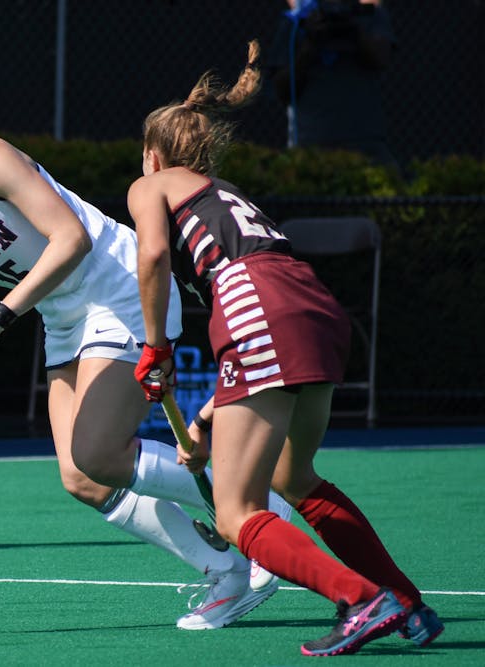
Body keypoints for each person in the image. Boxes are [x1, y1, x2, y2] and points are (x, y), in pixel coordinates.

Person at [0, 66, 295, 630]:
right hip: (63, 316)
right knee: (83, 477)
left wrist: (3, 312)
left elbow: (71, 238)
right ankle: (224, 571)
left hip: (118, 287)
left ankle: (256, 499)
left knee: (95, 450)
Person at [127, 40, 443, 655]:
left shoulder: (153, 185)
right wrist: (206, 418)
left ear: (153, 153)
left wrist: (156, 347)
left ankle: (361, 599)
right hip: (311, 305)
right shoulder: (223, 193)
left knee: (234, 512)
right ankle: (406, 602)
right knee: (292, 475)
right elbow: (270, 327)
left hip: (256, 306)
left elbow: (154, 256)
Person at [268, 0, 398, 169]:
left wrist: (354, 32)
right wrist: (310, 46)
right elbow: (281, 89)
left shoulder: (368, 14)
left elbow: (381, 59)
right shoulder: (297, 20)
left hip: (366, 144)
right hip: (312, 146)